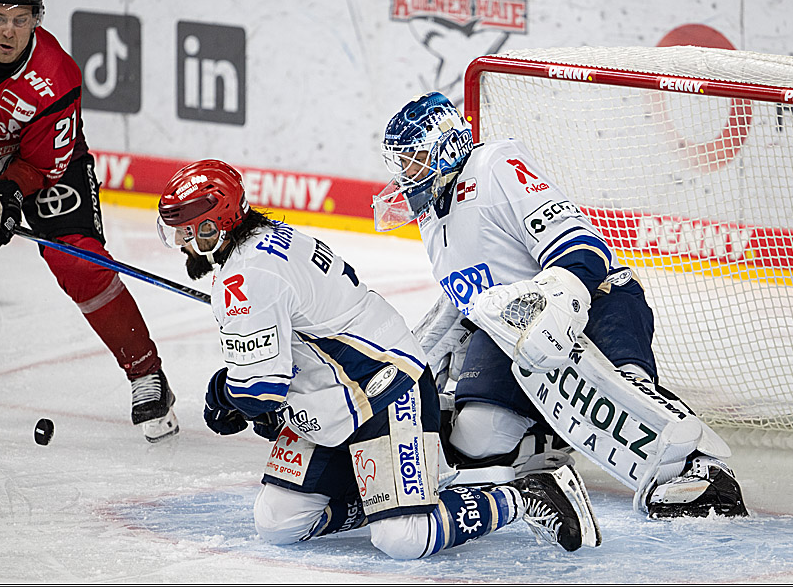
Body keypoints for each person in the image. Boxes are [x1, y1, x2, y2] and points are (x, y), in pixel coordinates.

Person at [156, 159, 601, 558]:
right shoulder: (265, 244)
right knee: (280, 524)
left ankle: (527, 493)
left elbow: (259, 394)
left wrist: (223, 395)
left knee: (403, 538)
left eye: (183, 230)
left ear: (212, 227)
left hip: (387, 389)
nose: (178, 242)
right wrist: (248, 396)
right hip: (331, 401)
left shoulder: (246, 277)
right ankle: (391, 492)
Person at [373, 92, 747, 518]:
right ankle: (547, 452)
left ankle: (704, 470)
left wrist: (557, 311)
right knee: (475, 441)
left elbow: (582, 248)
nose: (405, 175)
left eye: (413, 159)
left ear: (448, 147)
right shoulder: (431, 216)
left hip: (595, 302)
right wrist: (420, 359)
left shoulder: (493, 165)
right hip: (511, 335)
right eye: (398, 163)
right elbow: (468, 299)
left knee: (622, 393)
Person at [0, 0, 178, 442]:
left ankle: (146, 374)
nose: (8, 30)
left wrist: (8, 193)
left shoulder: (55, 75)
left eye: (20, 19)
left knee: (81, 265)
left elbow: (43, 165)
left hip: (44, 169)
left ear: (38, 19)